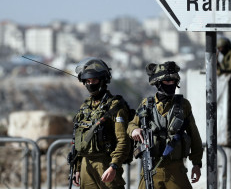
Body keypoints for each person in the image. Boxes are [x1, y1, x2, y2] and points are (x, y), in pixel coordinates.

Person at [127, 61, 204, 189]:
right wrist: (134, 130)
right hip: (151, 168)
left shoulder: (183, 105)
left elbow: (194, 135)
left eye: (173, 81)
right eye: (167, 82)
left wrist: (197, 164)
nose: (171, 84)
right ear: (158, 83)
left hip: (175, 169)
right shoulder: (146, 104)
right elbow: (131, 125)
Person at [72, 57, 131, 189]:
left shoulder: (115, 106)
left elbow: (123, 141)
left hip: (106, 162)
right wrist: (77, 168)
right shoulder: (85, 107)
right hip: (85, 165)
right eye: (88, 81)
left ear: (103, 80)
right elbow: (78, 140)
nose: (91, 83)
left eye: (95, 80)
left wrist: (114, 165)